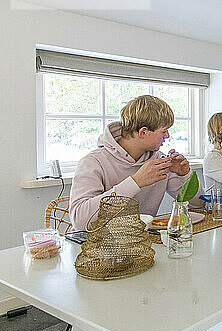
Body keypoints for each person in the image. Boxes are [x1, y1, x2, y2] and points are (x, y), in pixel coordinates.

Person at [69, 95, 201, 231]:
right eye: (164, 131)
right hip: (95, 247)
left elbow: (198, 204)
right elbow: (79, 222)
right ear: (143, 132)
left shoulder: (159, 161)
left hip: (141, 244)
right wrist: (136, 182)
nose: (167, 136)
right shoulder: (93, 162)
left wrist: (184, 175)